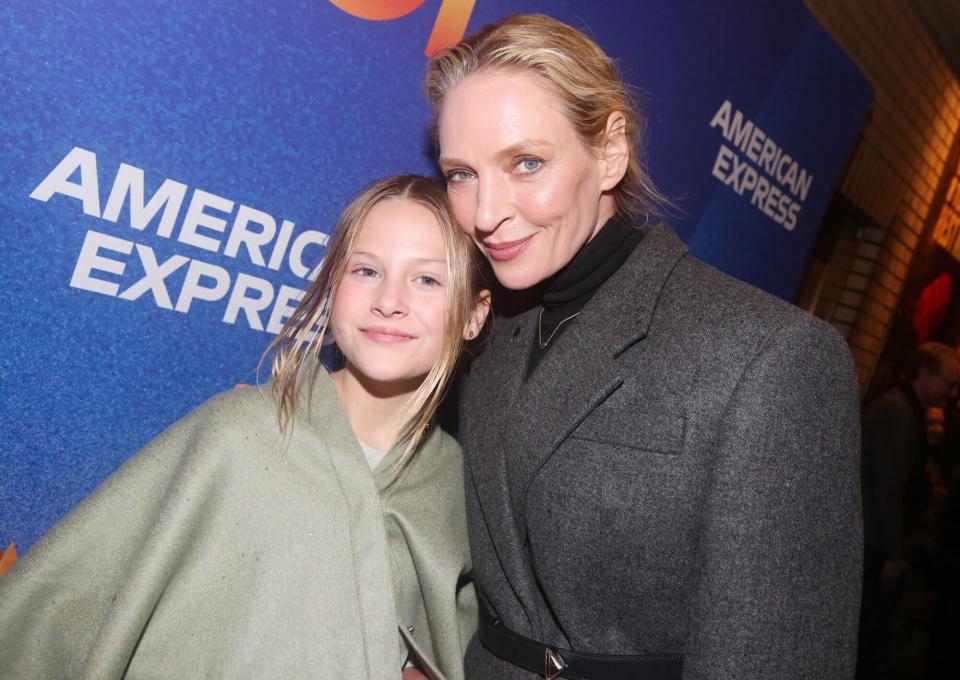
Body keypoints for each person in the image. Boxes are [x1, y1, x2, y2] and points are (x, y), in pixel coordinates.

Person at [424, 14, 862, 679]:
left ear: (609, 151)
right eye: (461, 174)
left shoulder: (770, 357)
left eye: (526, 163)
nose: (486, 212)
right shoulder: (483, 328)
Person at [0, 176, 490, 680]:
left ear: (475, 314)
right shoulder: (236, 433)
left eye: (427, 279)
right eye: (366, 270)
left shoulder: (458, 484)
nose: (389, 300)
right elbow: (62, 605)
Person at [858, 342, 960, 679]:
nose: (953, 392)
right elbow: (888, 487)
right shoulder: (898, 411)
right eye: (950, 382)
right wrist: (893, 553)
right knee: (864, 636)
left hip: (877, 543)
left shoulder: (905, 408)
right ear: (925, 374)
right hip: (873, 545)